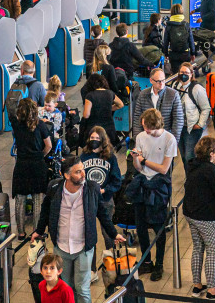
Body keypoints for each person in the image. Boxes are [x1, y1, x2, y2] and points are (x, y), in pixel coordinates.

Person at [33, 157, 125, 303]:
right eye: (78, 172)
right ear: (66, 175)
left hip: (83, 248)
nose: (83, 174)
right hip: (61, 247)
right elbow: (45, 210)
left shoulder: (92, 188)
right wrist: (39, 230)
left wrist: (114, 234)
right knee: (66, 287)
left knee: (82, 288)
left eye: (83, 170)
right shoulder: (54, 188)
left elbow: (102, 213)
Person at [183, 136, 215, 300]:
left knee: (198, 248)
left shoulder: (194, 164)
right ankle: (212, 291)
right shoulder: (210, 169)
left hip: (190, 213)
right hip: (205, 216)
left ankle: (197, 286)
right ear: (211, 153)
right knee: (212, 250)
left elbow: (209, 181)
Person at [130, 109, 176, 281]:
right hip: (142, 184)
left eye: (147, 127)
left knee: (158, 228)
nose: (144, 130)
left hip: (159, 187)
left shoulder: (169, 139)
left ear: (154, 125)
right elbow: (139, 168)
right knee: (141, 226)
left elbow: (164, 169)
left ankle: (160, 263)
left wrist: (144, 160)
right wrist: (136, 158)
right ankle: (146, 261)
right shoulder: (141, 137)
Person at [12, 98, 52, 239]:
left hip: (21, 164)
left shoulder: (16, 124)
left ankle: (21, 232)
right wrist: (40, 155)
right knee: (38, 198)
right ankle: (37, 231)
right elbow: (49, 145)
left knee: (20, 198)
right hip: (37, 164)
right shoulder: (40, 125)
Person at [79, 126, 121, 255]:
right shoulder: (84, 155)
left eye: (97, 138)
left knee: (108, 232)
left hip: (105, 199)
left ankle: (111, 259)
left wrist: (105, 190)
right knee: (89, 233)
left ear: (103, 140)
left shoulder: (110, 157)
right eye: (92, 137)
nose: (94, 140)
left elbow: (117, 180)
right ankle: (90, 262)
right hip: (88, 199)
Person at [171, 62, 210, 172]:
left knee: (190, 156)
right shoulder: (175, 86)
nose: (183, 75)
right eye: (181, 72)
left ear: (191, 74)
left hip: (192, 128)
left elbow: (206, 108)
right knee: (183, 155)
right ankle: (189, 177)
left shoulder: (196, 88)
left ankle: (193, 177)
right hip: (179, 127)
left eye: (186, 73)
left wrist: (200, 124)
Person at [131, 67, 184, 143]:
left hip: (166, 138)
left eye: (163, 80)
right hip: (147, 138)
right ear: (151, 80)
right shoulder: (143, 94)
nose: (161, 83)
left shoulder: (173, 94)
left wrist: (173, 141)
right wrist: (138, 139)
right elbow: (137, 118)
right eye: (158, 81)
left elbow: (178, 120)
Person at [81, 73, 123, 145]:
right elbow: (120, 105)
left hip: (94, 128)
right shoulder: (110, 93)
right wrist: (108, 108)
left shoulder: (90, 95)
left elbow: (86, 115)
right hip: (109, 128)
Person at [163, 3, 196, 72]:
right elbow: (191, 40)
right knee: (185, 72)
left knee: (175, 73)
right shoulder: (186, 25)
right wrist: (193, 53)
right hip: (185, 53)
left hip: (173, 53)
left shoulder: (168, 26)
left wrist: (166, 53)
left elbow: (165, 41)